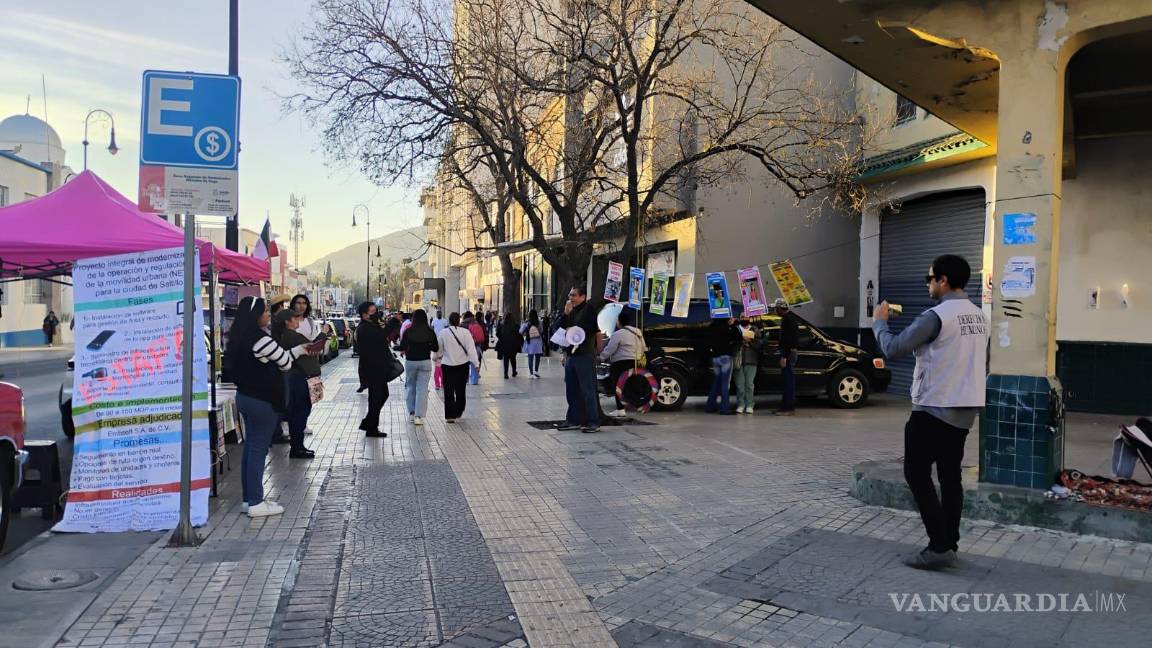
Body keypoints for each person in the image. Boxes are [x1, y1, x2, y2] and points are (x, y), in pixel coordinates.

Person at [874, 254, 988, 570]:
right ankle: (949, 543)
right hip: (964, 408)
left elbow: (893, 347)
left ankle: (939, 546)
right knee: (950, 477)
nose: (927, 284)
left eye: (930, 279)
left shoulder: (936, 316)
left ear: (943, 280)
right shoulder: (979, 315)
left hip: (934, 406)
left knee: (916, 473)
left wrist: (879, 322)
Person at [226, 297, 321, 517]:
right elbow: (285, 363)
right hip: (262, 401)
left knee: (251, 448)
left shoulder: (238, 337)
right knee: (259, 450)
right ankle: (256, 502)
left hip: (245, 397)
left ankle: (249, 499)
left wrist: (299, 350)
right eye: (265, 312)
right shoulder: (261, 339)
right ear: (256, 315)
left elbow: (280, 357)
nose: (269, 315)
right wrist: (297, 352)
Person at [271, 309, 318, 459]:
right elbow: (310, 347)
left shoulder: (283, 336)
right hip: (298, 378)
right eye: (295, 319)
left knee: (298, 412)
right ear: (287, 322)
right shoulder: (291, 336)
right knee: (300, 412)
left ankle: (298, 446)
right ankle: (297, 448)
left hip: (294, 377)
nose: (298, 321)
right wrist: (322, 335)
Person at [557, 285, 603, 433]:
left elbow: (590, 329)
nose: (570, 298)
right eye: (570, 295)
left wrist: (573, 330)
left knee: (587, 390)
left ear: (582, 297)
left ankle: (593, 421)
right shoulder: (571, 311)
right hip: (571, 355)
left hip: (584, 355)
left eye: (573, 295)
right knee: (572, 390)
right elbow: (560, 328)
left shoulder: (589, 310)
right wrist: (565, 314)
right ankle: (573, 420)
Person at [599, 307, 646, 417]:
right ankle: (636, 405)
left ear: (619, 322)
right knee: (631, 384)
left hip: (620, 364)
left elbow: (610, 349)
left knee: (618, 386)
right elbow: (643, 347)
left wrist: (601, 357)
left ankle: (620, 409)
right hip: (635, 362)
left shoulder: (618, 334)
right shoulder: (638, 332)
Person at [356, 301, 391, 437]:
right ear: (364, 315)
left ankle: (369, 423)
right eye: (372, 312)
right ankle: (371, 426)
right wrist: (392, 323)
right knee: (377, 396)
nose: (375, 314)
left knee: (381, 395)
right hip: (373, 368)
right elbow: (381, 337)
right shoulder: (365, 328)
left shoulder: (371, 326)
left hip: (378, 367)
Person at [435, 312, 479, 422]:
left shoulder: (443, 333)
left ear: (449, 321)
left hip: (447, 365)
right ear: (459, 321)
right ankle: (459, 411)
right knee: (460, 389)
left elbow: (439, 350)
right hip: (463, 365)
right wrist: (476, 364)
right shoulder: (466, 332)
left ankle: (450, 416)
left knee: (448, 390)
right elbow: (471, 349)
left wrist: (436, 357)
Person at [398, 309, 438, 425]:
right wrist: (427, 345)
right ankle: (419, 416)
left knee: (411, 386)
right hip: (425, 361)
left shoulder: (408, 331)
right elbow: (435, 348)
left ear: (413, 318)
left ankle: (412, 412)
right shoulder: (430, 332)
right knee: (422, 389)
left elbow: (402, 346)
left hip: (411, 361)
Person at [704, 317, 740, 415]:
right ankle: (725, 408)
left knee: (715, 382)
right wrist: (733, 324)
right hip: (725, 357)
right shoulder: (727, 327)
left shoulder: (711, 326)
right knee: (725, 384)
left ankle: (710, 406)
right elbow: (738, 337)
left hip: (715, 357)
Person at [774, 299, 800, 416]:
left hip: (788, 353)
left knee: (788, 381)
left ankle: (788, 408)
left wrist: (784, 356)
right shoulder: (789, 318)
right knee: (787, 381)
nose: (776, 311)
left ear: (781, 308)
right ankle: (785, 407)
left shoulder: (788, 320)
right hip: (789, 352)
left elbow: (788, 340)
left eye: (776, 309)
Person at [734, 321, 759, 414]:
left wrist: (750, 341)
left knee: (749, 384)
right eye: (742, 316)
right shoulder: (736, 329)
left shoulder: (755, 329)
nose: (744, 318)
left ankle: (749, 405)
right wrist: (740, 341)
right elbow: (730, 343)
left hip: (751, 360)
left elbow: (759, 345)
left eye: (746, 316)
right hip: (738, 361)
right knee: (739, 385)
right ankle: (741, 404)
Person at [463, 311, 487, 384]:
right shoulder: (476, 323)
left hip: (465, 347)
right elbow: (484, 334)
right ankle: (475, 380)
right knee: (475, 363)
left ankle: (466, 379)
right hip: (476, 346)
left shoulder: (462, 324)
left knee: (465, 363)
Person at [520, 310, 545, 378]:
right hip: (538, 341)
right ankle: (536, 371)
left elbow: (520, 331)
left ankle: (531, 373)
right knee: (537, 357)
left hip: (530, 342)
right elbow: (541, 330)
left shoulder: (527, 323)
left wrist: (526, 330)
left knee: (530, 357)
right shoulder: (539, 322)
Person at [497, 312, 521, 379]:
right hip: (513, 345)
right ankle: (514, 371)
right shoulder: (516, 326)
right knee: (513, 358)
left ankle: (506, 374)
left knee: (506, 359)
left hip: (505, 344)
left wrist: (501, 338)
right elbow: (519, 335)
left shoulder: (502, 325)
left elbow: (497, 334)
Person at [431, 310, 448, 390]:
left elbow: (447, 329)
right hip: (436, 344)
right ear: (436, 314)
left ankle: (442, 384)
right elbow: (432, 329)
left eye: (440, 313)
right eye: (438, 313)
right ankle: (438, 384)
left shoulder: (445, 321)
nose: (439, 314)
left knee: (441, 369)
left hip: (444, 342)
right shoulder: (434, 321)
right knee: (438, 369)